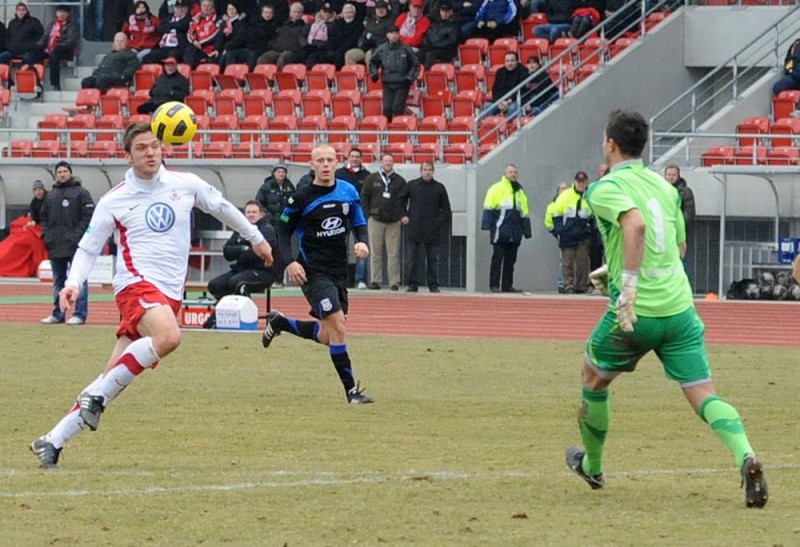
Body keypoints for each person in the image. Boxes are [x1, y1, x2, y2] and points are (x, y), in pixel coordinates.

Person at [30, 123, 274, 468]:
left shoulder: (184, 184)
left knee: (112, 378)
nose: (150, 152)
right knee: (170, 336)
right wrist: (73, 283)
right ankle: (94, 398)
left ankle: (53, 439)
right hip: (135, 284)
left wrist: (255, 237)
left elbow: (222, 208)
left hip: (169, 292)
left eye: (155, 146)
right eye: (142, 147)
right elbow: (87, 248)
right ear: (128, 156)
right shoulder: (114, 199)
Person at [564, 109, 768, 509]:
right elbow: (676, 250)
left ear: (610, 144)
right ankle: (746, 454)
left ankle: (594, 466)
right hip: (680, 309)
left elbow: (635, 225)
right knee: (702, 393)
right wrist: (620, 267)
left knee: (592, 378)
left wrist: (628, 285)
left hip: (637, 313)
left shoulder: (604, 188)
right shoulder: (666, 187)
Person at [261, 143, 373, 405]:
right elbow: (282, 231)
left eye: (329, 160)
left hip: (338, 272)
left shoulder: (348, 192)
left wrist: (362, 241)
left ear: (337, 163)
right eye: (320, 160)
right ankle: (351, 392)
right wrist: (289, 262)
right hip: (313, 272)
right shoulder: (300, 198)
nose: (325, 165)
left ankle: (280, 323)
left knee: (328, 335)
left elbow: (359, 222)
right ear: (311, 165)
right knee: (339, 327)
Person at [39, 161, 95, 326]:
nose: (62, 174)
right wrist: (46, 236)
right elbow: (43, 217)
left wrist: (77, 236)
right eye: (59, 172)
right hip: (55, 245)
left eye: (65, 171)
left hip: (76, 245)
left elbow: (88, 217)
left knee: (79, 280)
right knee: (58, 280)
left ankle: (79, 314)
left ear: (70, 172)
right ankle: (58, 314)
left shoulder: (81, 193)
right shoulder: (50, 195)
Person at [208, 200, 281, 300]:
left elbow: (256, 255)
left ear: (261, 214)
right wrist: (245, 248)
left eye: (254, 212)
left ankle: (246, 312)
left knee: (236, 282)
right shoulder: (240, 230)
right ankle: (227, 310)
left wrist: (240, 248)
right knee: (215, 285)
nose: (251, 215)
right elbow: (227, 252)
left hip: (264, 272)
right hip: (240, 270)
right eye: (248, 212)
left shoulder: (267, 230)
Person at [360, 154, 408, 290]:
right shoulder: (371, 178)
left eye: (390, 161)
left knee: (394, 253)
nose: (388, 163)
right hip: (375, 220)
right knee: (375, 252)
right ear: (382, 162)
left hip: (394, 222)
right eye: (386, 161)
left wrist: (401, 215)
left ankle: (394, 282)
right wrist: (368, 215)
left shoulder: (400, 181)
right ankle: (376, 280)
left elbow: (404, 200)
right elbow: (364, 197)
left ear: (393, 163)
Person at [481, 164, 531, 293]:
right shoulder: (496, 188)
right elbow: (488, 207)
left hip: (515, 232)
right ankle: (494, 285)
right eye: (510, 172)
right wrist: (486, 225)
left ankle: (507, 285)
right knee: (497, 258)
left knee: (511, 260)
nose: (513, 174)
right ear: (505, 174)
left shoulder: (520, 191)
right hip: (500, 230)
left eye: (515, 172)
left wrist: (526, 231)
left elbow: (524, 213)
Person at [404, 161, 451, 293]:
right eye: (425, 169)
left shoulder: (439, 188)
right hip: (415, 228)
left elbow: (446, 210)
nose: (427, 172)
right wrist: (404, 215)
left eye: (430, 169)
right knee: (413, 259)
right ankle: (413, 284)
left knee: (433, 259)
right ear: (421, 171)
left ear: (433, 171)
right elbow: (399, 200)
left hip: (432, 230)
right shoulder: (412, 185)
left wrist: (437, 222)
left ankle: (433, 284)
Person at [550, 171, 593, 294]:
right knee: (567, 262)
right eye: (578, 182)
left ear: (586, 182)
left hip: (583, 234)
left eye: (583, 182)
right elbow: (556, 212)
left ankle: (581, 286)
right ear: (574, 182)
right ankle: (568, 285)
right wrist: (559, 230)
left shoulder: (589, 196)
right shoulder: (565, 195)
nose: (581, 184)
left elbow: (594, 215)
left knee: (583, 262)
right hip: (567, 233)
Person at [335, 148, 371, 289]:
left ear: (361, 158)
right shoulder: (339, 174)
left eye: (357, 156)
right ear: (348, 157)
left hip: (359, 215)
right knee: (340, 247)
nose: (355, 159)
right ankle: (341, 278)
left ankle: (360, 280)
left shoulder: (367, 175)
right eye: (352, 156)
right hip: (341, 215)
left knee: (361, 246)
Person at [21, 4, 79, 91]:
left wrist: (56, 46)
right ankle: (35, 81)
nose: (62, 14)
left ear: (68, 14)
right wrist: (37, 47)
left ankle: (55, 84)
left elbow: (71, 42)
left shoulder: (72, 26)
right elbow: (44, 38)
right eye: (60, 12)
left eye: (64, 12)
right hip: (49, 49)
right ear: (56, 13)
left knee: (53, 54)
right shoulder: (52, 24)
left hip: (63, 50)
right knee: (29, 56)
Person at [369, 25, 420, 122]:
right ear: (387, 35)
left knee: (397, 108)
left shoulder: (406, 49)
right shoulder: (382, 49)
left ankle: (399, 131)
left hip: (402, 83)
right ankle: (387, 130)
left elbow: (415, 65)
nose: (394, 35)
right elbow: (373, 63)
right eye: (391, 33)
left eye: (396, 33)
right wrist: (374, 74)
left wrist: (409, 78)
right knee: (387, 109)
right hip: (387, 83)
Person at [344, 0, 395, 66]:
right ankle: (352, 75)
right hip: (366, 48)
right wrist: (361, 43)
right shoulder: (371, 22)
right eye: (378, 9)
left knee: (369, 55)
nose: (380, 11)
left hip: (379, 48)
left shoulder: (390, 22)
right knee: (350, 54)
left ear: (386, 10)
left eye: (383, 9)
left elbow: (389, 39)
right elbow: (364, 34)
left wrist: (374, 42)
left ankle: (371, 75)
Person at [256, 2, 306, 68]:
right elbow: (275, 37)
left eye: (299, 12)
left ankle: (279, 77)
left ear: (302, 14)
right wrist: (273, 45)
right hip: (278, 50)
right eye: (295, 12)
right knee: (263, 58)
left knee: (284, 57)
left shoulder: (305, 27)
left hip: (293, 52)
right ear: (290, 13)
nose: (297, 14)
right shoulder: (283, 26)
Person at [142, 0, 191, 64]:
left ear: (186, 9)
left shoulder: (188, 18)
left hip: (177, 47)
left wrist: (169, 26)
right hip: (164, 46)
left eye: (182, 8)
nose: (180, 10)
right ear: (174, 9)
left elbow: (183, 26)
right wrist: (173, 27)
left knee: (172, 56)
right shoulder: (168, 17)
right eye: (178, 8)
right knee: (147, 57)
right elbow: (160, 29)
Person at [544, 181, 570, 292]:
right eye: (562, 189)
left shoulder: (573, 202)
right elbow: (548, 223)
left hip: (574, 235)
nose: (564, 191)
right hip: (562, 236)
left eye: (566, 189)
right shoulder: (552, 206)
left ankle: (573, 283)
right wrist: (557, 233)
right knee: (563, 260)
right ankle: (562, 282)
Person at [418, 1, 460, 68]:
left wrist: (435, 45)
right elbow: (428, 36)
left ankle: (427, 74)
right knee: (420, 53)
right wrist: (428, 44)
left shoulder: (455, 26)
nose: (444, 13)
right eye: (442, 10)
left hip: (448, 51)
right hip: (434, 48)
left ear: (451, 12)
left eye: (446, 11)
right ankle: (416, 75)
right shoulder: (435, 24)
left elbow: (452, 42)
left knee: (431, 55)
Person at [491, 51, 529, 117]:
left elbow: (521, 89)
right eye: (507, 61)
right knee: (487, 107)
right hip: (501, 101)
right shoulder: (500, 71)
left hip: (515, 100)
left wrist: (508, 102)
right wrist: (499, 102)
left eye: (512, 61)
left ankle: (510, 126)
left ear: (517, 61)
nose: (509, 63)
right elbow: (495, 89)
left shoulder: (523, 70)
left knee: (512, 108)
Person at [183, 0, 219, 67]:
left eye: (208, 6)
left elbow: (214, 35)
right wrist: (194, 41)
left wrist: (199, 43)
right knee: (189, 49)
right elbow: (190, 32)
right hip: (196, 47)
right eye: (204, 6)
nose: (206, 8)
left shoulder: (216, 19)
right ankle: (188, 72)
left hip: (208, 50)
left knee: (191, 50)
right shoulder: (197, 18)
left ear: (213, 8)